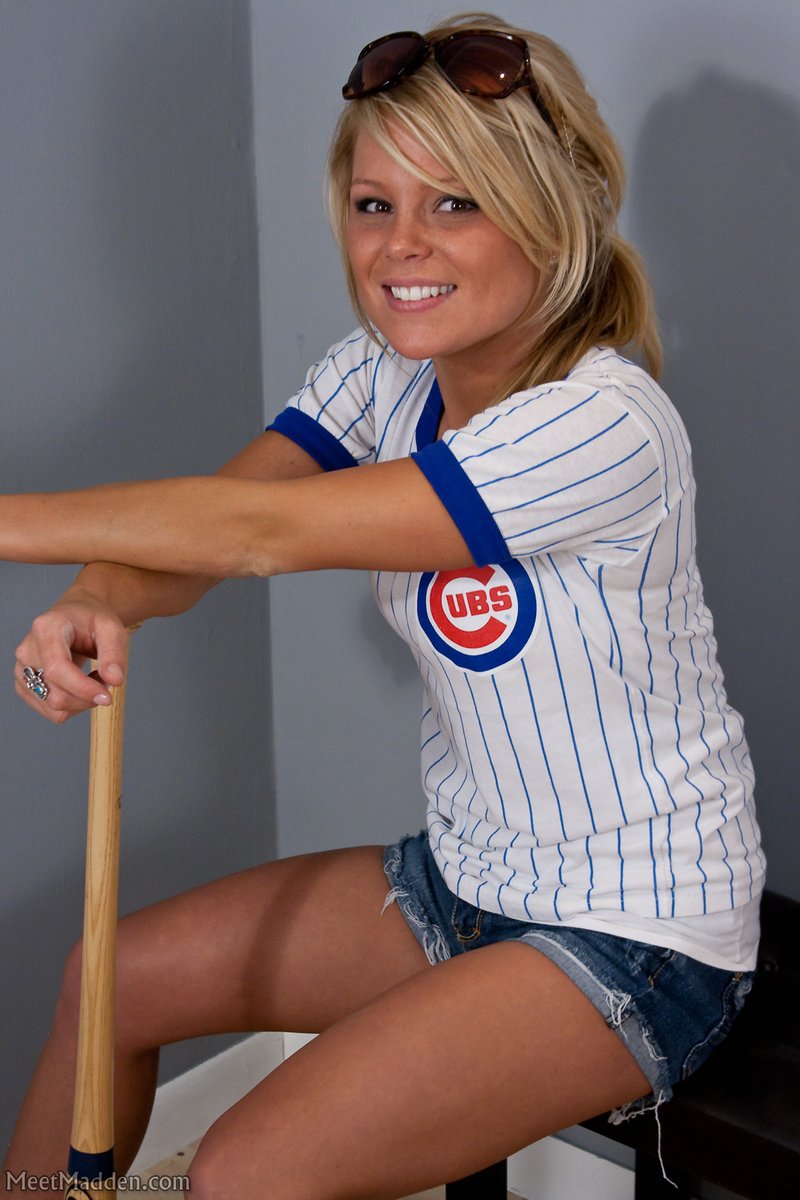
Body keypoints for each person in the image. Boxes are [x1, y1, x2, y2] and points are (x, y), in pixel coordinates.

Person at [2, 13, 764, 1200]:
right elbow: (221, 518)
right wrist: (101, 594)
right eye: (373, 204)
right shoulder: (387, 372)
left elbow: (255, 538)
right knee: (110, 978)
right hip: (462, 881)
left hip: (636, 934)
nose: (400, 245)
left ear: (549, 215)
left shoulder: (601, 424)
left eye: (455, 202)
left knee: (242, 1174)